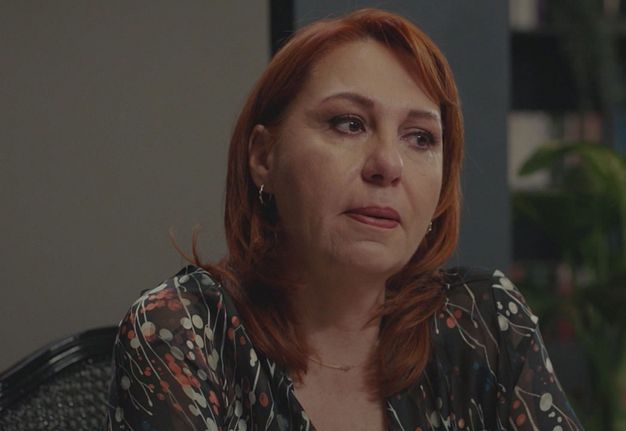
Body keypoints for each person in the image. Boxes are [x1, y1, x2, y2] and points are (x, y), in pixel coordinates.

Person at [106, 8, 582, 431]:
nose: (388, 164)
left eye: (420, 138)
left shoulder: (485, 324)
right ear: (264, 157)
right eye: (349, 124)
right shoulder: (183, 332)